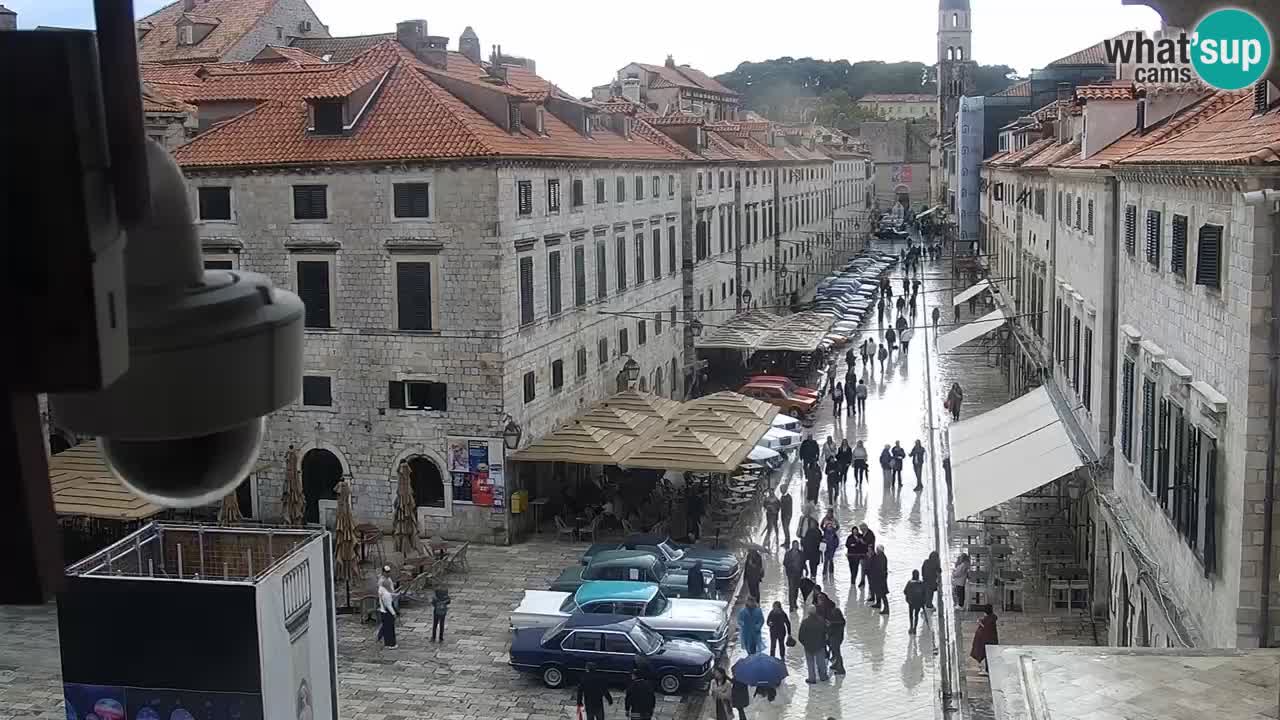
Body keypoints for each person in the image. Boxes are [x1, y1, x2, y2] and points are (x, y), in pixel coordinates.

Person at [797, 606, 828, 684]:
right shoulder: (821, 621)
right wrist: (823, 642)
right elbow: (825, 633)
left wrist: (805, 644)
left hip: (808, 646)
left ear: (808, 613)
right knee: (821, 662)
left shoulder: (805, 622)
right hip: (819, 645)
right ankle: (823, 676)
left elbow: (800, 636)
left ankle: (812, 678)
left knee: (810, 663)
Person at [971, 605, 1000, 672]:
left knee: (987, 655)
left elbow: (986, 629)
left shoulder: (988, 619)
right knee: (990, 655)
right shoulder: (992, 618)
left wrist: (980, 623)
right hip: (993, 639)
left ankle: (987, 670)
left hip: (987, 640)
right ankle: (988, 668)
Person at [904, 570, 928, 634]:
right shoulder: (921, 583)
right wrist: (923, 602)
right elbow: (924, 593)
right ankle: (915, 628)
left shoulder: (909, 583)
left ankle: (911, 627)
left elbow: (905, 591)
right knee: (916, 615)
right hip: (919, 602)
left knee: (911, 615)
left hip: (911, 602)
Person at [783, 541, 805, 610]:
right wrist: (791, 565)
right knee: (791, 589)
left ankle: (794, 602)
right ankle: (791, 605)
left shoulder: (801, 553)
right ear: (792, 546)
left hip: (798, 574)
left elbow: (803, 563)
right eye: (795, 545)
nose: (796, 546)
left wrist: (805, 570)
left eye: (797, 545)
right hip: (791, 574)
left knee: (796, 589)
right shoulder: (788, 554)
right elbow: (785, 563)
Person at [376, 578, 397, 648]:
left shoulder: (382, 590)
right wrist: (394, 613)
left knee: (386, 626)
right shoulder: (386, 594)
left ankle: (380, 636)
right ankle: (390, 644)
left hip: (383, 611)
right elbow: (388, 605)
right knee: (389, 627)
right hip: (387, 611)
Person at [825, 605, 847, 675]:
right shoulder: (841, 622)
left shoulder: (833, 624)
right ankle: (836, 665)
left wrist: (828, 626)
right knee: (836, 653)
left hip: (834, 639)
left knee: (837, 654)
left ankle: (841, 669)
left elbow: (831, 631)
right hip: (839, 638)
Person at [869, 545, 890, 615]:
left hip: (880, 579)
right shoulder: (881, 557)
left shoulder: (881, 558)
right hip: (880, 578)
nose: (876, 551)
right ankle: (878, 604)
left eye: (877, 550)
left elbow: (878, 568)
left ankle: (886, 609)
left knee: (883, 594)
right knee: (878, 591)